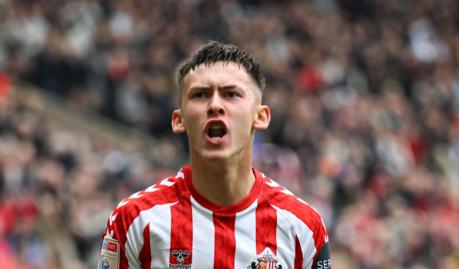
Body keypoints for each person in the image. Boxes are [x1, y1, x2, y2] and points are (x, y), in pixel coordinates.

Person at [98, 41, 331, 269]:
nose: (215, 105)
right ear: (178, 120)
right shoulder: (134, 219)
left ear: (260, 117)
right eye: (200, 94)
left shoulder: (303, 228)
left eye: (231, 94)